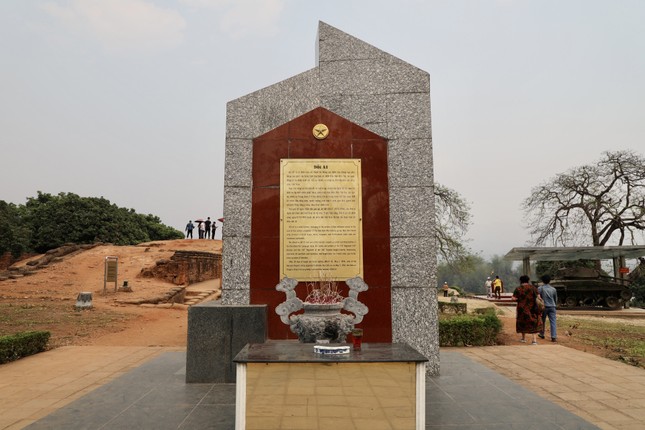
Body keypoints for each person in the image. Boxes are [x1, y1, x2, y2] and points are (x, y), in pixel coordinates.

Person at [512, 275, 543, 345]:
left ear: (520, 281)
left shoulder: (518, 289)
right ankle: (534, 340)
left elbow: (513, 298)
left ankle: (523, 338)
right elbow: (539, 297)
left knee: (522, 322)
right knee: (534, 322)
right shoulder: (533, 288)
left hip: (521, 309)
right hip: (532, 308)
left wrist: (519, 299)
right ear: (528, 280)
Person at [538, 274, 558, 342]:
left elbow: (538, 298)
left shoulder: (540, 288)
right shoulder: (553, 289)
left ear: (542, 281)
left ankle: (542, 334)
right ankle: (554, 336)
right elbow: (555, 299)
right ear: (550, 281)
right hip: (552, 307)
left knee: (542, 320)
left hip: (544, 307)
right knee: (553, 321)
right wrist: (554, 305)